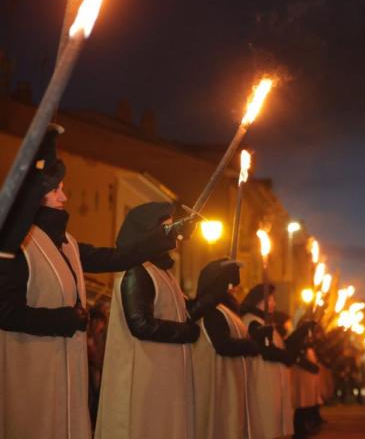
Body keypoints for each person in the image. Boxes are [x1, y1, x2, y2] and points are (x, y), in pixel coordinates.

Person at [0, 126, 174, 439]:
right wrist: (65, 318)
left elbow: (116, 258)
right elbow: (6, 312)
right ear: (35, 195)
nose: (64, 196)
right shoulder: (16, 245)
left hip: (67, 373)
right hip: (31, 375)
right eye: (55, 190)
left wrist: (163, 239)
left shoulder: (68, 243)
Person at [95, 202, 219, 439]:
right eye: (166, 228)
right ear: (148, 233)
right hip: (145, 379)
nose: (172, 235)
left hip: (163, 377)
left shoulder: (163, 273)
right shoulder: (137, 271)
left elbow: (181, 312)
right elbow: (140, 323)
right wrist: (186, 332)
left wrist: (212, 293)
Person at [192, 258, 257, 439]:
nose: (234, 288)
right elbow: (222, 344)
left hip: (227, 381)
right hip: (215, 381)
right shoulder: (213, 311)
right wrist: (251, 346)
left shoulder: (225, 309)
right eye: (229, 283)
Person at [240, 285, 310, 439]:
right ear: (257, 301)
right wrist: (288, 357)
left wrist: (300, 334)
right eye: (269, 299)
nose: (273, 303)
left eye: (273, 299)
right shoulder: (252, 321)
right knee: (265, 425)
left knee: (273, 425)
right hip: (262, 380)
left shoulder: (263, 321)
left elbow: (281, 345)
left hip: (272, 380)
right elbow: (265, 350)